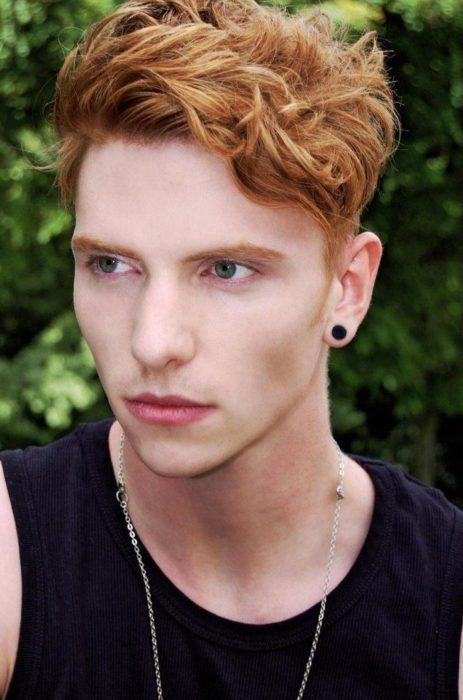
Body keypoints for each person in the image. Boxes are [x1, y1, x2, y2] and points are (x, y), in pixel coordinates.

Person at [0, 0, 461, 698]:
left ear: (346, 288)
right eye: (110, 265)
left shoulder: (445, 605)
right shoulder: (13, 555)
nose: (152, 342)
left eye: (226, 270)